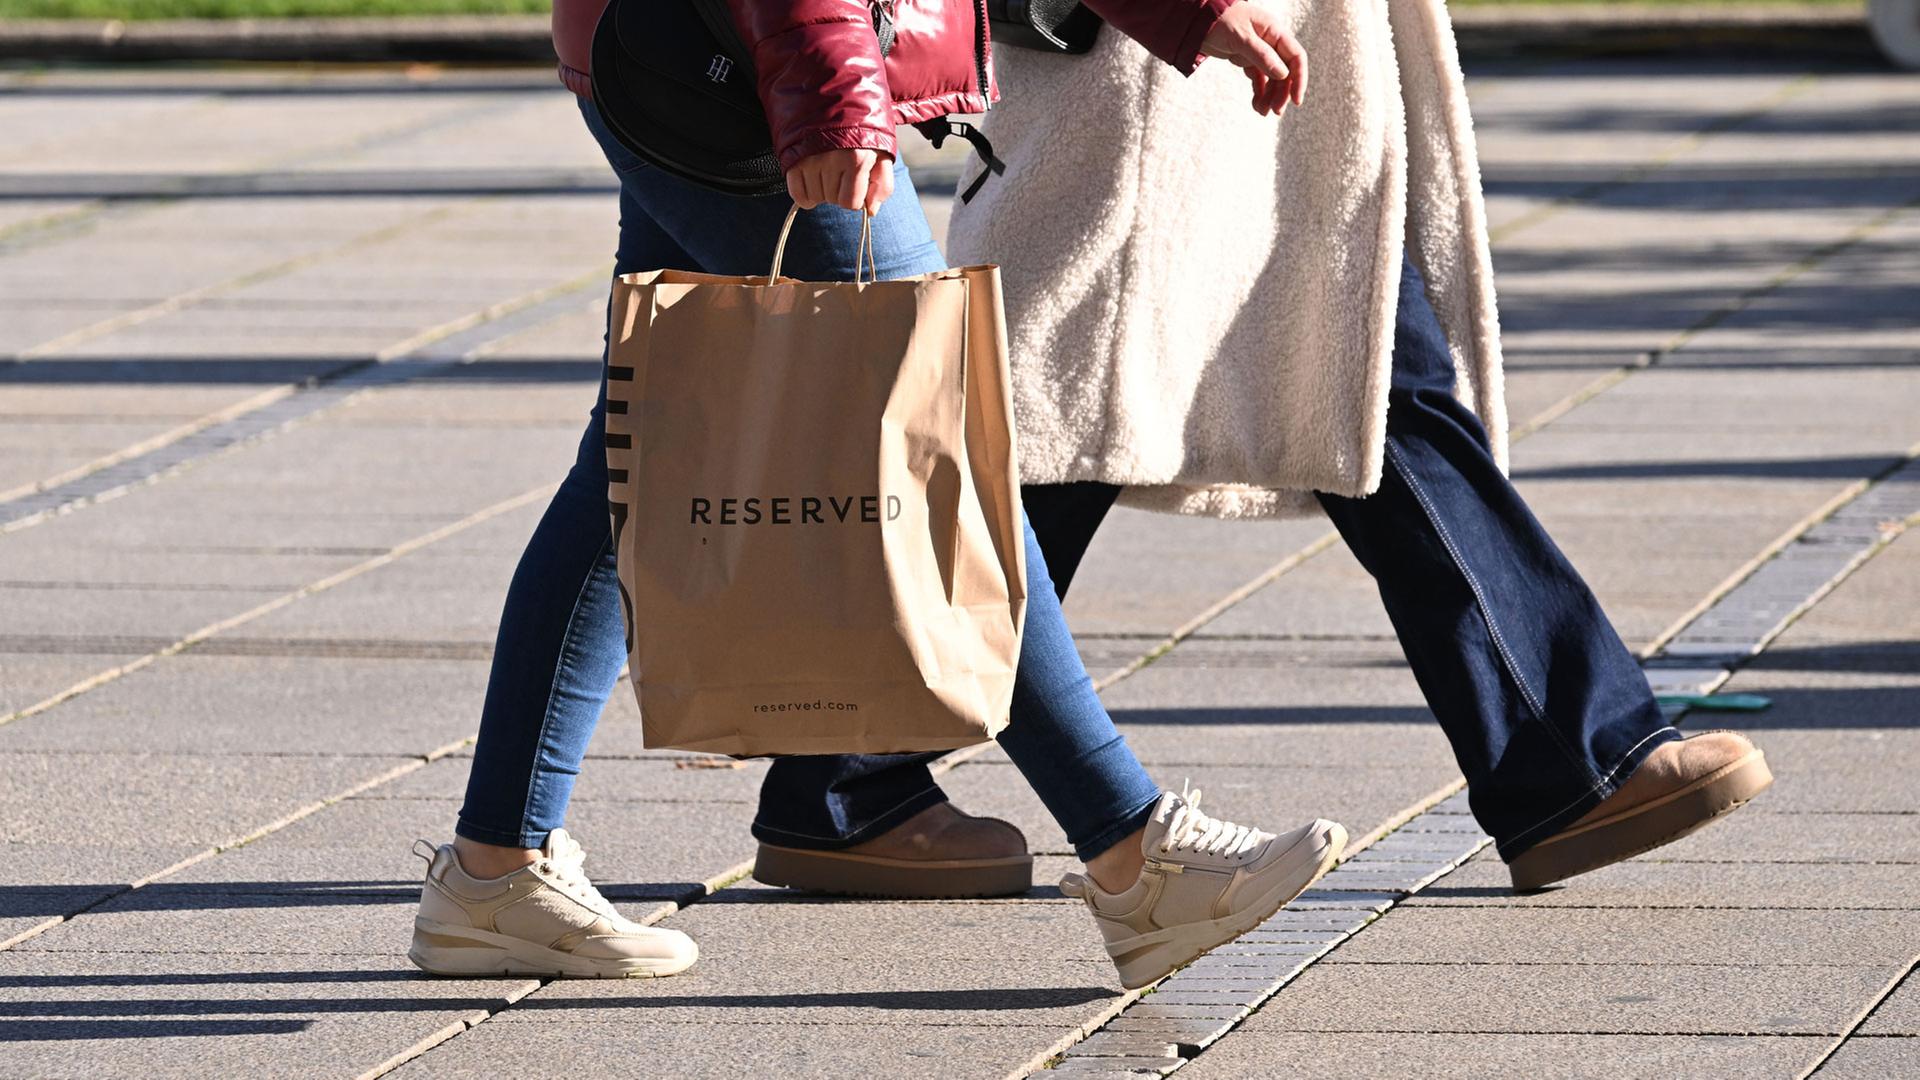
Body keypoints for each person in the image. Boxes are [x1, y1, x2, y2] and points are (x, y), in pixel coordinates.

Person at [409, 0, 1347, 991]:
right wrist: (834, 106)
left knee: (635, 460)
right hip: (755, 64)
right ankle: (1132, 852)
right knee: (932, 453)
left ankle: (496, 869)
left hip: (699, 51)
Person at [943, 0, 1774, 896]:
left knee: (1364, 390)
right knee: (1044, 435)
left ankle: (850, 765)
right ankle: (1571, 762)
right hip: (1166, 74)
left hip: (1249, 80)